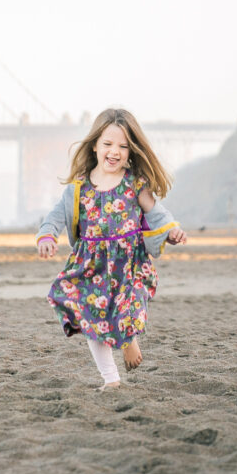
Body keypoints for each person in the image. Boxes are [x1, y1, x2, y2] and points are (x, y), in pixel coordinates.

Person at [36, 107, 187, 390]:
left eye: (123, 146)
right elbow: (56, 216)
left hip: (128, 262)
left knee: (128, 307)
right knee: (89, 316)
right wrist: (46, 236)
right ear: (94, 145)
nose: (114, 151)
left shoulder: (134, 184)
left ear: (131, 151)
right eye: (107, 144)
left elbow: (156, 213)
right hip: (90, 264)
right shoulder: (78, 187)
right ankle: (111, 380)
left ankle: (128, 337)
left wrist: (171, 231)